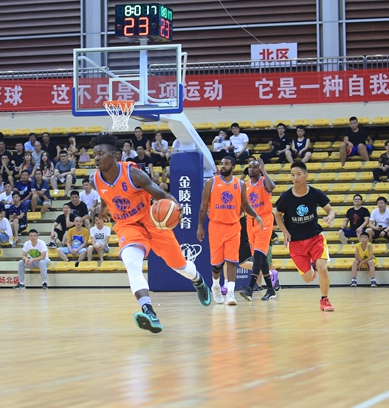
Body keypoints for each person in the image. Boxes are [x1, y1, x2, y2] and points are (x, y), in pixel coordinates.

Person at [91, 133, 211, 333]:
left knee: (180, 266)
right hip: (127, 226)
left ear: (113, 155)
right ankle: (149, 311)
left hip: (152, 221)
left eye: (100, 154)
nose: (96, 158)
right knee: (132, 264)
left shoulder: (133, 174)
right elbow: (106, 196)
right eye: (94, 154)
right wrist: (103, 210)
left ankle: (197, 280)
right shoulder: (95, 179)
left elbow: (161, 194)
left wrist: (175, 205)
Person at [197, 155, 262, 305]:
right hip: (216, 226)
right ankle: (215, 286)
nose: (223, 166)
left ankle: (231, 294)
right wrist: (200, 226)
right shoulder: (211, 182)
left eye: (226, 164)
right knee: (217, 264)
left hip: (233, 226)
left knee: (232, 261)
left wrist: (256, 215)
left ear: (233, 167)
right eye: (222, 163)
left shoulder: (240, 184)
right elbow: (203, 206)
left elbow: (245, 205)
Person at [274, 161, 336, 311]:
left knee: (323, 268)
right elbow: (277, 214)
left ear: (306, 175)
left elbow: (331, 210)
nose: (295, 178)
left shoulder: (315, 193)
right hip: (296, 243)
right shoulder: (286, 197)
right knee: (308, 278)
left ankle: (325, 300)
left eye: (298, 174)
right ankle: (312, 267)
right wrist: (285, 232)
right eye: (292, 175)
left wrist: (330, 217)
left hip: (315, 238)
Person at [239, 158, 276, 301]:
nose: (251, 169)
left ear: (259, 169)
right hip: (251, 221)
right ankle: (271, 290)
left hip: (264, 220)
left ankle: (250, 288)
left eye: (255, 167)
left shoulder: (264, 182)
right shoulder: (245, 185)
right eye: (250, 167)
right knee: (261, 257)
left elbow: (272, 187)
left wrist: (264, 170)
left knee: (259, 256)